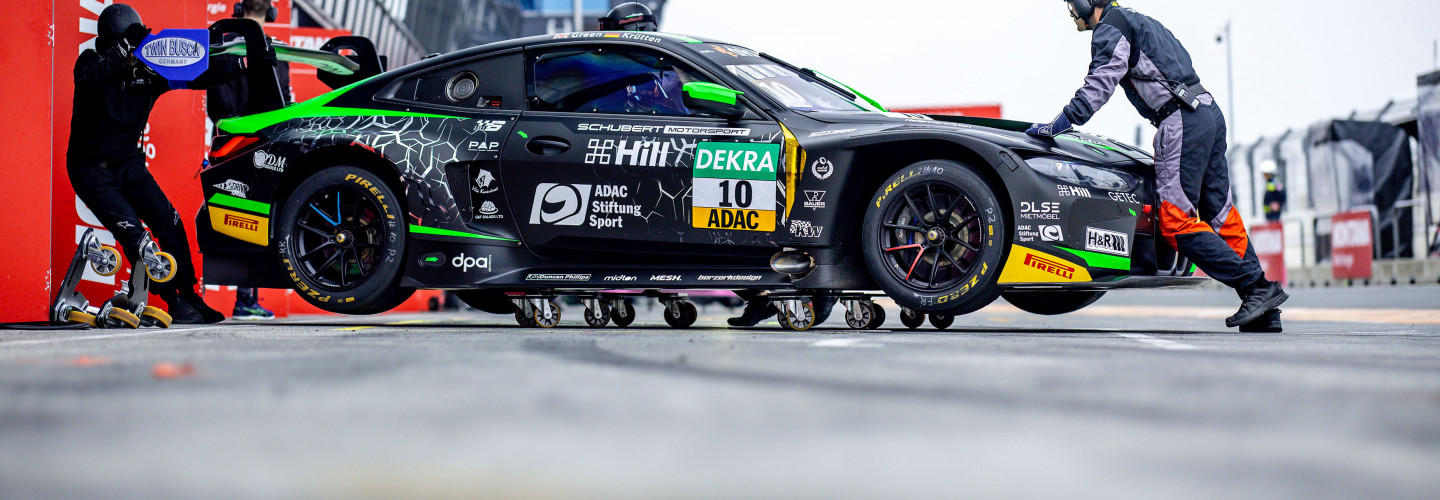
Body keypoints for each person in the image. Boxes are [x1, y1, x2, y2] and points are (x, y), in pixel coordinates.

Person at [1026, 1, 1286, 332]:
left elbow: (1101, 82)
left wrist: (1061, 122)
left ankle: (1258, 288)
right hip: (1207, 113)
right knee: (1222, 216)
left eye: (1071, 5)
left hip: (1180, 119)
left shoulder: (1111, 26)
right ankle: (1265, 311)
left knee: (1175, 223)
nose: (1071, 13)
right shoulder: (1143, 21)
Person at [67, 4, 241, 324]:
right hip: (90, 169)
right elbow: (94, 77)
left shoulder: (147, 73)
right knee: (136, 236)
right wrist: (124, 48)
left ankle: (189, 295)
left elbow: (199, 74)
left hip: (128, 164)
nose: (135, 55)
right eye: (130, 48)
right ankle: (173, 301)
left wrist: (243, 63)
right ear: (111, 44)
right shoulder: (90, 64)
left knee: (169, 222)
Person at [207, 0, 287, 321]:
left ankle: (244, 298)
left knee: (233, 214)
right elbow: (284, 105)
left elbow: (217, 103)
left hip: (231, 140)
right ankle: (245, 299)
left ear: (239, 10)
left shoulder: (226, 47)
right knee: (258, 215)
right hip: (264, 142)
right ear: (271, 13)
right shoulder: (277, 54)